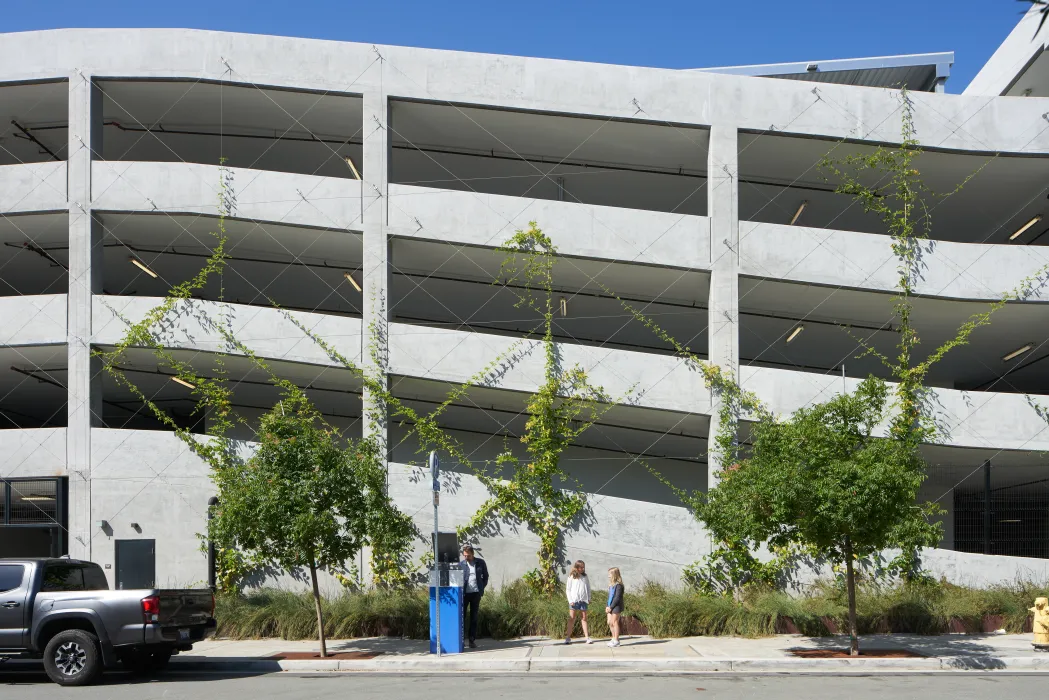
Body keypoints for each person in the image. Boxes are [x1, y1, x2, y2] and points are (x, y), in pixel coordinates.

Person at [459, 545, 488, 648]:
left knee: (474, 617)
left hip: (476, 594)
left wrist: (481, 588)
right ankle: (461, 639)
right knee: (462, 617)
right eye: (465, 555)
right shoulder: (461, 564)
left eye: (468, 555)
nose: (466, 557)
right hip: (464, 594)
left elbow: (486, 576)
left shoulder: (480, 563)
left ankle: (472, 640)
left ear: (473, 554)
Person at [564, 560, 593, 644]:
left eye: (583, 567)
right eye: (581, 567)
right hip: (574, 601)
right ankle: (568, 637)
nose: (583, 569)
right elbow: (568, 589)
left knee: (584, 618)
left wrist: (589, 598)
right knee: (571, 618)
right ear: (576, 567)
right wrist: (570, 600)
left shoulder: (585, 576)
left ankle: (587, 637)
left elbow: (588, 588)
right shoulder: (571, 576)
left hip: (583, 600)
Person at [605, 567, 624, 648]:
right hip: (610, 606)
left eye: (610, 574)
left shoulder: (619, 585)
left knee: (614, 622)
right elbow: (609, 597)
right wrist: (607, 606)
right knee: (609, 622)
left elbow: (617, 597)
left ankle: (616, 640)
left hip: (616, 606)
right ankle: (613, 638)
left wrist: (611, 607)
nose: (608, 575)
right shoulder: (611, 585)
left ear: (614, 574)